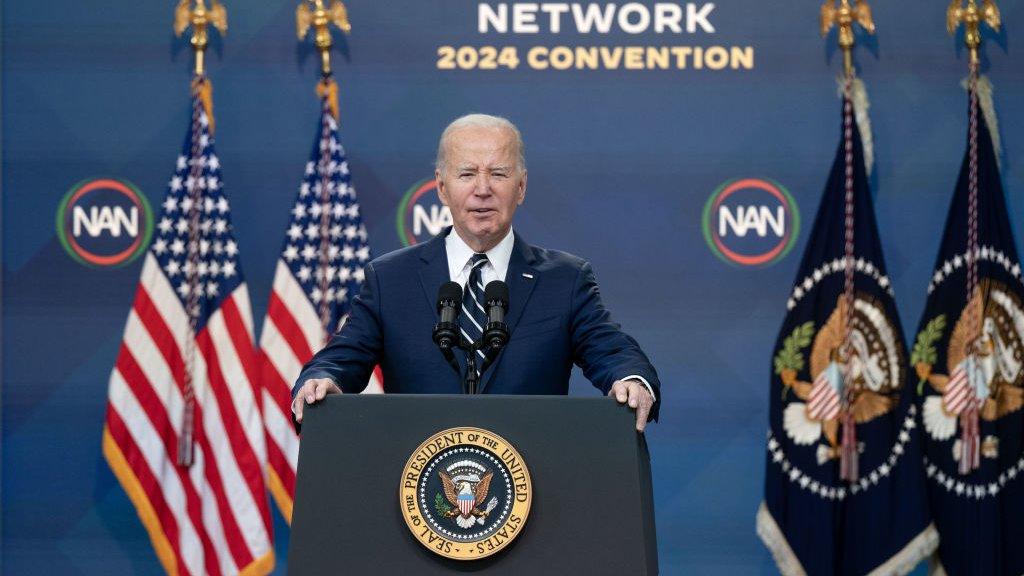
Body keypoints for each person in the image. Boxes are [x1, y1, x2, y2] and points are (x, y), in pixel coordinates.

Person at [292, 113, 661, 431]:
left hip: (531, 484)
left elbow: (613, 351)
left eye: (498, 173)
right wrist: (322, 381)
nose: (482, 189)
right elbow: (341, 358)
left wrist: (630, 380)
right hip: (418, 484)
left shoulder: (564, 280)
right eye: (467, 173)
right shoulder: (391, 279)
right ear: (440, 187)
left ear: (521, 187)